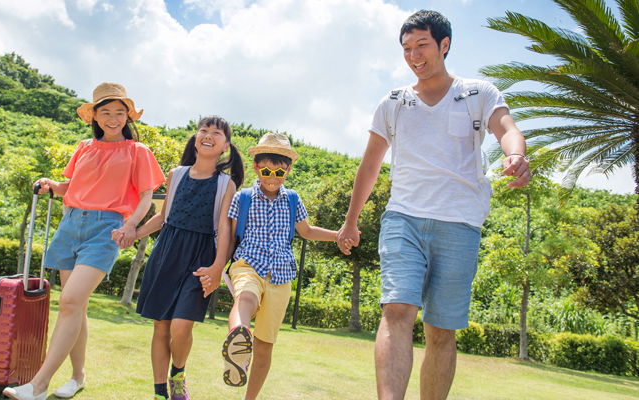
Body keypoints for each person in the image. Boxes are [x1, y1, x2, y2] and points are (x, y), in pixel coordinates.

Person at [336, 10, 531, 400]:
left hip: (460, 224)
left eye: (421, 45)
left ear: (444, 44)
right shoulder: (392, 102)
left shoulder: (478, 93)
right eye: (407, 48)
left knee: (441, 330)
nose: (413, 55)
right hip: (403, 219)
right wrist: (350, 221)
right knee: (396, 310)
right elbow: (371, 163)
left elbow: (507, 129)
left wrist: (516, 155)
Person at [3, 82, 165, 400]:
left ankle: (39, 384)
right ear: (95, 116)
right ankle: (77, 378)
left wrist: (132, 224)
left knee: (69, 302)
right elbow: (71, 186)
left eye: (120, 112)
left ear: (128, 117)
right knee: (77, 307)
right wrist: (53, 185)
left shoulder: (138, 152)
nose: (113, 118)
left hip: (106, 228)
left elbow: (147, 197)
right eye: (106, 112)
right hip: (70, 225)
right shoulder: (84, 147)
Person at [126, 116, 244, 400]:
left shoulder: (226, 184)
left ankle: (177, 373)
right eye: (203, 130)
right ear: (195, 138)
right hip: (166, 253)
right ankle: (159, 393)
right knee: (160, 326)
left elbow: (226, 230)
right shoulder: (176, 174)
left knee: (180, 327)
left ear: (225, 146)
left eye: (216, 133)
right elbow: (163, 217)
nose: (208, 135)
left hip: (201, 259)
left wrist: (217, 267)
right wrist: (134, 232)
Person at [218, 132, 339, 400]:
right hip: (248, 263)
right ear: (256, 167)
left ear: (288, 169)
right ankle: (238, 336)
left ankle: (249, 397)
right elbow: (230, 237)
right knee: (245, 298)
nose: (272, 178)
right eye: (267, 171)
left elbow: (306, 231)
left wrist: (337, 235)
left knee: (264, 345)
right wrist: (217, 268)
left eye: (279, 173)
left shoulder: (293, 199)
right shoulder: (244, 197)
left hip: (281, 274)